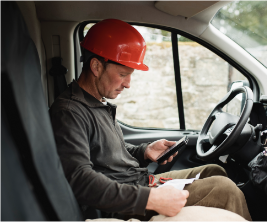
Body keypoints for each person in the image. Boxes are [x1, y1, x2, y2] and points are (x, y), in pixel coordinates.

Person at [49, 19, 252, 222]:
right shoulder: (69, 113)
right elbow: (79, 179)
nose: (128, 84)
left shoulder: (96, 103)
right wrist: (150, 198)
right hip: (124, 202)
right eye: (122, 74)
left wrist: (145, 151)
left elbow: (109, 156)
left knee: (215, 171)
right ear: (96, 66)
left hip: (139, 182)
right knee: (225, 189)